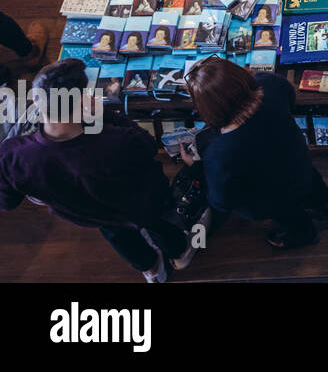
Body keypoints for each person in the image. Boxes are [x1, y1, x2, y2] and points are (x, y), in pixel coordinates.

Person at [0, 59, 196, 283]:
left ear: (37, 100)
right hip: (143, 201)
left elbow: (7, 201)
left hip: (90, 213)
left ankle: (152, 271)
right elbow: (147, 145)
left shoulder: (12, 155)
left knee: (123, 240)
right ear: (80, 101)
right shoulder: (115, 141)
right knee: (162, 227)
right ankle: (178, 254)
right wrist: (104, 114)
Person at [183, 57, 328, 250]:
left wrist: (196, 169)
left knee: (289, 214)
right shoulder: (269, 85)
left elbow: (222, 200)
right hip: (297, 162)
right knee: (311, 184)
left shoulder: (218, 152)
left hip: (269, 198)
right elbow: (290, 96)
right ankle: (324, 206)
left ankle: (304, 234)